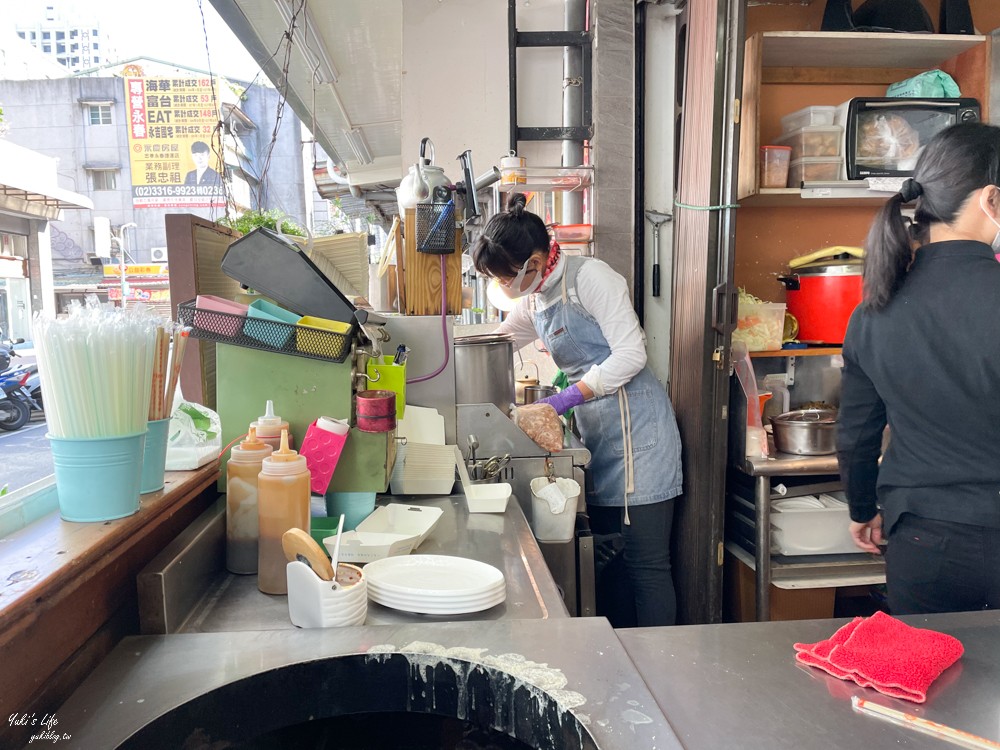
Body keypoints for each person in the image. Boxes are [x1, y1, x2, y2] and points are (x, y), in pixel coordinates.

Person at [472, 194, 683, 627]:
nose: (505, 287)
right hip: (600, 439)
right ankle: (628, 664)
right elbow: (498, 341)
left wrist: (566, 398)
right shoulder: (535, 298)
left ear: (534, 261)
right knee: (615, 563)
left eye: (506, 276)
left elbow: (631, 354)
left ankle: (664, 669)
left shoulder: (592, 278)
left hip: (638, 434)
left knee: (647, 565)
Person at [838, 122, 1000, 615]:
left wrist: (863, 510)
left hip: (923, 543)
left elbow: (856, 435)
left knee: (932, 686)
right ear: (991, 200)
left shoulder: (873, 311)